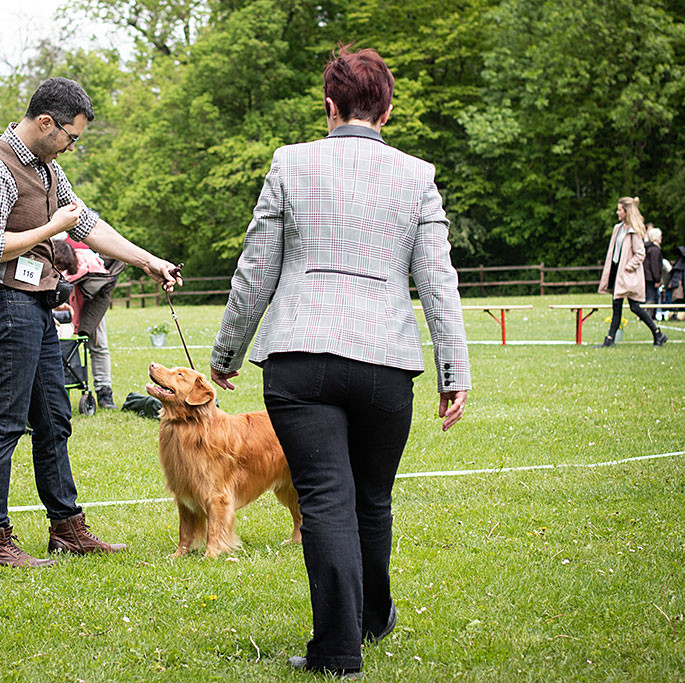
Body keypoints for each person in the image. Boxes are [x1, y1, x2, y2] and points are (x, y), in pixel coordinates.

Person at [209, 46, 470, 678]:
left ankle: (339, 646)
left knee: (326, 498)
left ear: (329, 107)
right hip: (386, 362)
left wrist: (226, 354)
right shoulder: (417, 175)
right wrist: (454, 372)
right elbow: (439, 281)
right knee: (371, 500)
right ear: (388, 109)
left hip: (300, 357)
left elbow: (255, 271)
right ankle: (371, 620)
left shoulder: (289, 163)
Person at [0, 76, 181, 568]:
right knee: (2, 425)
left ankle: (66, 529)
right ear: (46, 123)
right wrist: (51, 227)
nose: (71, 146)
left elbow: (87, 223)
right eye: (71, 136)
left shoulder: (47, 167)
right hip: (3, 303)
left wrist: (149, 261)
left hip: (37, 305)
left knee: (53, 421)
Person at [54, 236, 123, 409]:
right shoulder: (53, 233)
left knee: (99, 345)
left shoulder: (88, 236)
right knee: (57, 346)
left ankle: (104, 391)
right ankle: (53, 393)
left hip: (91, 299)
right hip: (62, 299)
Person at [597, 198, 668, 346]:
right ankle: (610, 339)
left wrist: (628, 267)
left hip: (627, 275)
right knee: (617, 306)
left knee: (634, 307)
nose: (617, 212)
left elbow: (640, 253)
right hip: (617, 273)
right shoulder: (618, 228)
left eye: (619, 210)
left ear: (626, 212)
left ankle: (658, 333)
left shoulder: (633, 232)